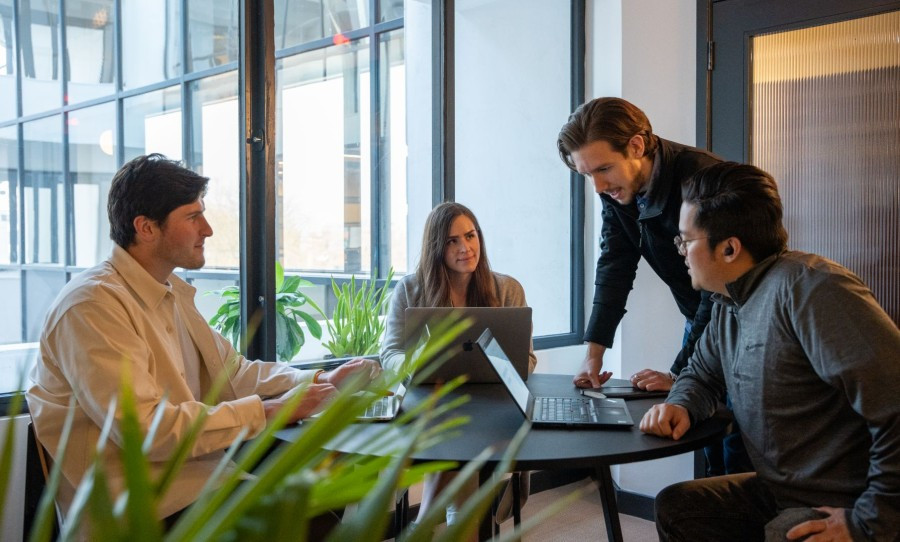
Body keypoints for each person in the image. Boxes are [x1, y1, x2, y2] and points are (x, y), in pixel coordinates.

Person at [26, 154, 381, 524]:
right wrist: (275, 409)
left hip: (196, 477)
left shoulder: (170, 292)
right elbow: (147, 431)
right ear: (146, 228)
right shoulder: (92, 306)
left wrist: (320, 381)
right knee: (313, 519)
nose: (208, 229)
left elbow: (234, 374)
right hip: (140, 508)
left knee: (325, 481)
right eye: (193, 217)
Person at [640, 162, 900, 541]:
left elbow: (895, 401)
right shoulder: (729, 302)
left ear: (729, 248)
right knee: (678, 507)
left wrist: (869, 522)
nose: (680, 252)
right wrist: (681, 403)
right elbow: (701, 373)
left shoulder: (812, 289)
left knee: (784, 532)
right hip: (779, 492)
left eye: (685, 241)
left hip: (844, 500)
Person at [557, 96, 751, 476]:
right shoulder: (617, 190)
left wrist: (681, 374)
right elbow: (614, 264)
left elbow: (721, 290)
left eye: (603, 169)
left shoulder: (702, 179)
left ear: (636, 145)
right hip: (698, 317)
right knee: (709, 443)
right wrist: (594, 354)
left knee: (739, 446)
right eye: (587, 175)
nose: (597, 186)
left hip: (740, 322)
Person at [381, 201, 537, 528]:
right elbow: (390, 355)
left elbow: (527, 359)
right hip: (431, 403)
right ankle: (462, 523)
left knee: (466, 433)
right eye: (452, 240)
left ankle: (453, 523)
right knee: (452, 430)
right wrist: (419, 361)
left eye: (470, 235)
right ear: (437, 247)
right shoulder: (409, 290)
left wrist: (500, 363)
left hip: (491, 403)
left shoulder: (507, 289)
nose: (465, 248)